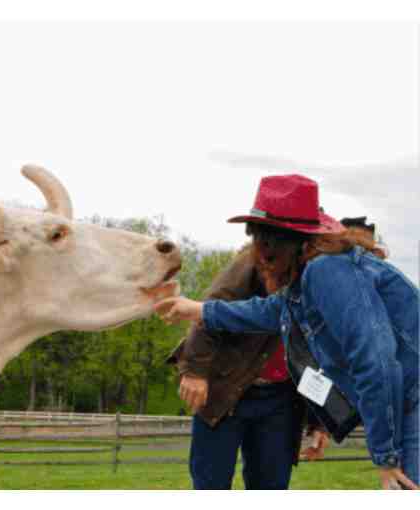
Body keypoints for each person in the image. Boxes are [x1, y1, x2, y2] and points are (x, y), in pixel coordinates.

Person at [156, 174, 419, 490]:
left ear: (279, 242)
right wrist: (199, 310)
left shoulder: (327, 272)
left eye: (262, 241)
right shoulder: (309, 276)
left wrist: (385, 458)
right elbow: (270, 310)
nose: (257, 251)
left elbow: (375, 361)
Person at [166, 240, 328, 490]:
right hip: (226, 389)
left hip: (281, 398)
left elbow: (320, 357)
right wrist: (195, 372)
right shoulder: (252, 262)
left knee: (271, 485)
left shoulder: (326, 281)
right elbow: (210, 307)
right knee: (211, 483)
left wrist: (319, 422)